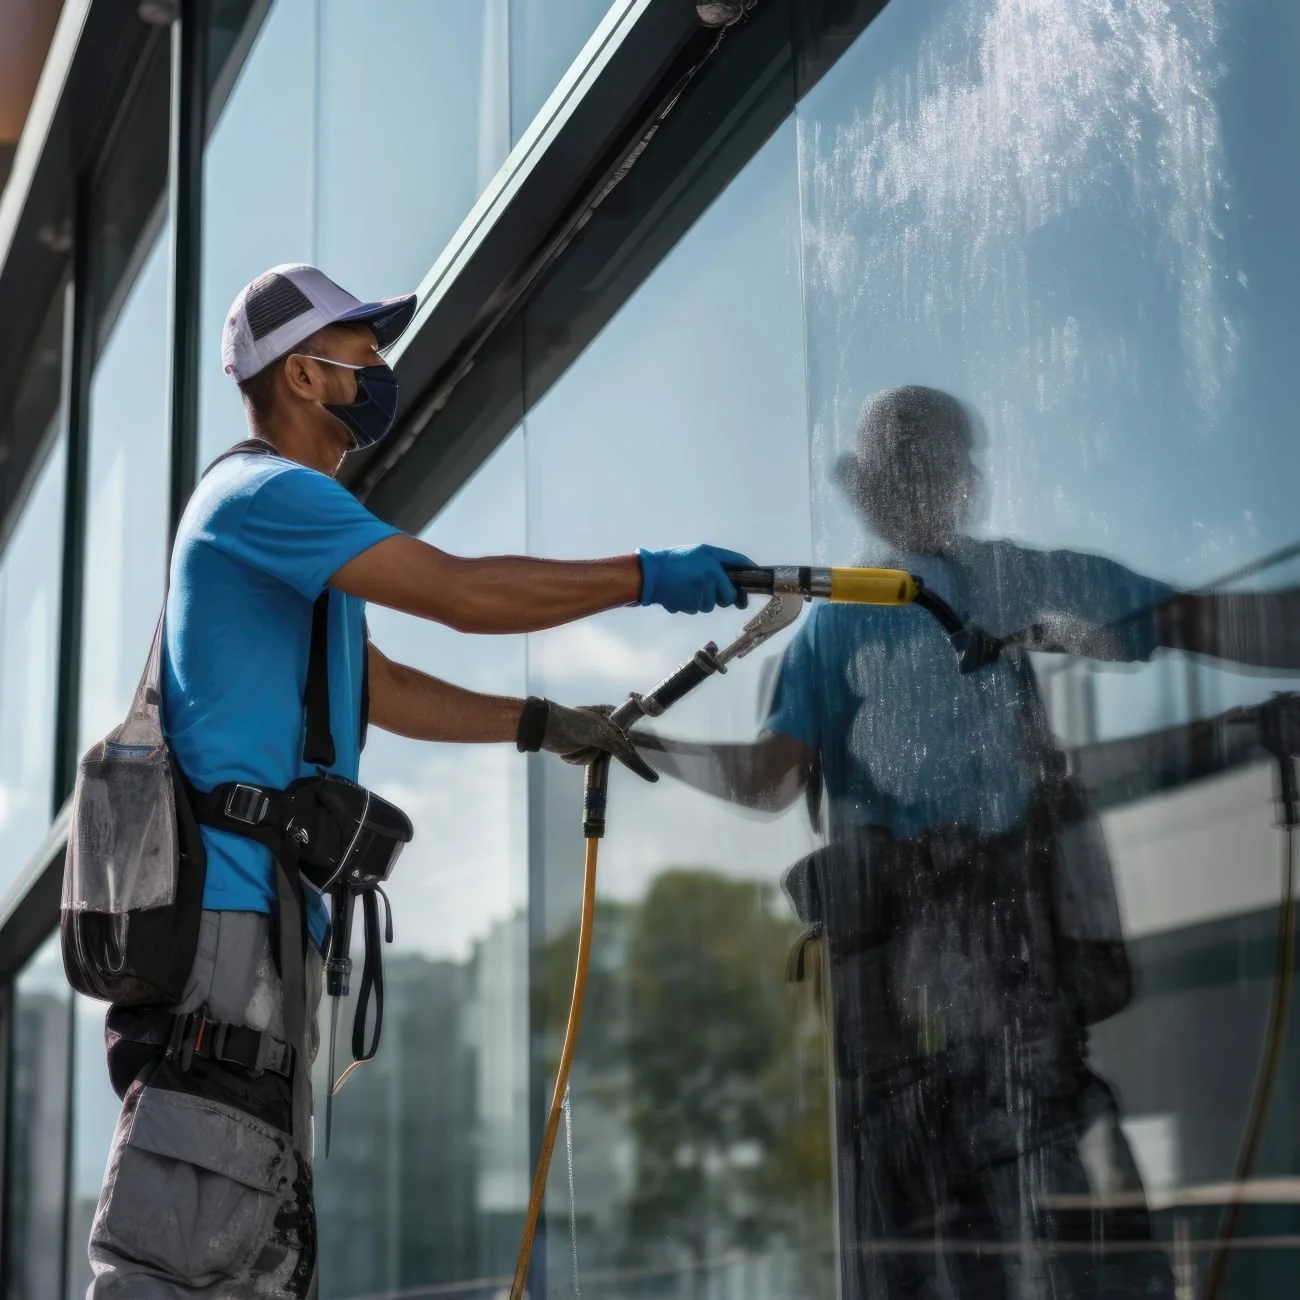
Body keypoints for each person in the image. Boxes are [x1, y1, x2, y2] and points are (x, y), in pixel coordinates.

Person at [85, 264, 752, 1297]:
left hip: (270, 928)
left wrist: (539, 723)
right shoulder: (263, 494)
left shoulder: (305, 535)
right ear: (302, 376)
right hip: (226, 924)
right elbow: (459, 592)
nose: (380, 364)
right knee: (185, 1248)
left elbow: (377, 686)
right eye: (362, 346)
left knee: (249, 1238)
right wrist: (646, 575)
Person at [639, 385, 1300, 1298]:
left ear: (962, 479)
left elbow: (1191, 619)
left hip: (1011, 979)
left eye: (933, 463)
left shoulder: (1007, 583)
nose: (913, 485)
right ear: (870, 488)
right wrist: (639, 744)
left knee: (1070, 1231)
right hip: (898, 1012)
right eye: (894, 469)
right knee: (936, 1251)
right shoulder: (834, 621)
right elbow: (772, 776)